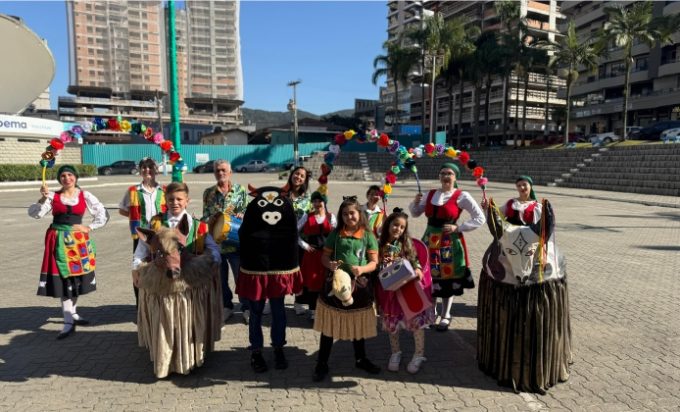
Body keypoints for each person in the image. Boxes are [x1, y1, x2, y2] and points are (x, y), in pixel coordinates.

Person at [477, 175, 571, 393]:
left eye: (524, 185)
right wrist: (487, 209)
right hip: (510, 242)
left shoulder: (537, 207)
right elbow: (498, 218)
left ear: (530, 187)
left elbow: (543, 229)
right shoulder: (510, 204)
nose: (521, 187)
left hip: (532, 242)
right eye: (519, 185)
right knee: (495, 262)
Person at [28, 165, 110, 339]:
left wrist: (89, 227)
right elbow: (35, 214)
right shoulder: (53, 196)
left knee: (76, 278)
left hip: (78, 242)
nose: (67, 178)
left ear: (76, 177)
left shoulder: (85, 195)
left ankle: (72, 313)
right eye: (63, 175)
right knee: (64, 279)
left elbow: (102, 213)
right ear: (59, 179)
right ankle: (67, 321)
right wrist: (42, 198)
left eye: (70, 174)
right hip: (58, 241)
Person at [409, 163, 485, 331]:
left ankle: (446, 314)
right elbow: (415, 213)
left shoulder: (461, 195)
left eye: (449, 173)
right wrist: (415, 202)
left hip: (448, 242)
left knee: (447, 277)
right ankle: (431, 312)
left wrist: (459, 227)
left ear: (455, 177)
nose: (445, 176)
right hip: (429, 241)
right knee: (429, 276)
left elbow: (479, 217)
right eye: (442, 173)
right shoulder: (430, 194)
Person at [312, 196, 381, 382]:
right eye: (345, 214)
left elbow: (374, 262)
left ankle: (361, 359)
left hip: (359, 285)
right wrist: (330, 264)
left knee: (357, 324)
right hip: (336, 284)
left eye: (352, 213)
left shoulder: (368, 235)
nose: (349, 217)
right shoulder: (336, 234)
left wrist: (362, 269)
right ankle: (322, 363)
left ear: (360, 214)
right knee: (329, 326)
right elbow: (324, 258)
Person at [376, 208, 434, 374]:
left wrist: (417, 269)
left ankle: (418, 355)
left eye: (402, 227)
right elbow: (375, 265)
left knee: (416, 323)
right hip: (389, 293)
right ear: (388, 225)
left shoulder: (406, 244)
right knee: (392, 325)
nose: (398, 229)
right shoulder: (379, 245)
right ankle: (396, 353)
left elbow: (415, 259)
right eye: (395, 225)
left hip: (408, 291)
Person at [133, 182, 221, 288]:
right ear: (165, 200)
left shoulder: (200, 227)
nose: (175, 203)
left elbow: (214, 250)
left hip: (191, 284)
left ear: (187, 201)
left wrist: (212, 261)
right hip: (160, 284)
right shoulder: (154, 223)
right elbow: (141, 251)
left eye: (179, 199)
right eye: (171, 199)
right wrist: (135, 269)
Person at [202, 159, 250, 324]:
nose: (220, 173)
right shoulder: (208, 193)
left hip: (236, 243)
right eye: (217, 170)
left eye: (223, 170)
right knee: (221, 279)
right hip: (216, 245)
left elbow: (247, 212)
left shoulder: (240, 191)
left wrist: (243, 215)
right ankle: (226, 307)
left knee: (241, 278)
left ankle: (246, 307)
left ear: (230, 172)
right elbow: (204, 216)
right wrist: (209, 219)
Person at [118, 157, 166, 306]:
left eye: (150, 167)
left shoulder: (164, 190)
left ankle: (158, 302)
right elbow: (122, 210)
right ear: (140, 171)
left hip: (160, 236)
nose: (147, 170)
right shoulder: (133, 191)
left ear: (156, 170)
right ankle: (140, 304)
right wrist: (137, 219)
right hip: (140, 236)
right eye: (144, 167)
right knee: (139, 268)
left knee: (161, 266)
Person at [297, 191, 337, 321]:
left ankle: (325, 309)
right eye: (314, 201)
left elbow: (337, 235)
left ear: (324, 202)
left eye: (319, 201)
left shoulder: (331, 217)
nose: (317, 203)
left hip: (326, 255)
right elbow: (294, 232)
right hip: (311, 256)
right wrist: (304, 245)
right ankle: (313, 311)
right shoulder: (306, 216)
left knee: (325, 283)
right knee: (312, 284)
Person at [285, 166, 313, 316]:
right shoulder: (281, 195)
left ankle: (299, 301)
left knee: (299, 272)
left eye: (302, 176)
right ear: (291, 175)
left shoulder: (308, 199)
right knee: (279, 272)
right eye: (297, 174)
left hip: (300, 242)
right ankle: (275, 299)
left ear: (305, 180)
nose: (298, 177)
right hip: (281, 241)